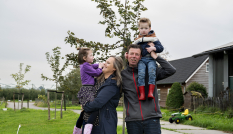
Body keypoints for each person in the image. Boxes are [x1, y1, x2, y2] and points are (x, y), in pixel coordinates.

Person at [122, 44, 176, 134]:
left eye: (137, 54)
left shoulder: (151, 71)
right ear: (127, 55)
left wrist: (156, 57)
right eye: (132, 54)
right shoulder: (122, 75)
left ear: (141, 57)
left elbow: (171, 70)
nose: (134, 56)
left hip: (152, 120)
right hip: (132, 121)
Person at [82, 56, 124, 134]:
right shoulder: (97, 80)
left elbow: (97, 103)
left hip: (102, 125)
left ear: (114, 68)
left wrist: (85, 106)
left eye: (108, 63)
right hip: (88, 122)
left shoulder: (112, 84)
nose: (104, 63)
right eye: (105, 61)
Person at [73, 47, 104, 134]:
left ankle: (77, 129)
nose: (93, 57)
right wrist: (101, 67)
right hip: (88, 89)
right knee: (94, 108)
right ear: (84, 58)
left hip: (86, 89)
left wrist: (101, 64)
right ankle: (88, 128)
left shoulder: (85, 65)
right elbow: (96, 73)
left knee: (84, 110)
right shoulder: (86, 66)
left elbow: (95, 65)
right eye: (91, 55)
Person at [132, 17, 164, 100]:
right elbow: (133, 48)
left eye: (146, 28)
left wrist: (153, 48)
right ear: (139, 29)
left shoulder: (153, 38)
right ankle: (142, 94)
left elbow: (161, 48)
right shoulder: (138, 40)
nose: (143, 30)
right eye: (141, 28)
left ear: (149, 28)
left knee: (152, 73)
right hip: (141, 60)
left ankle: (150, 93)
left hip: (151, 59)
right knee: (141, 74)